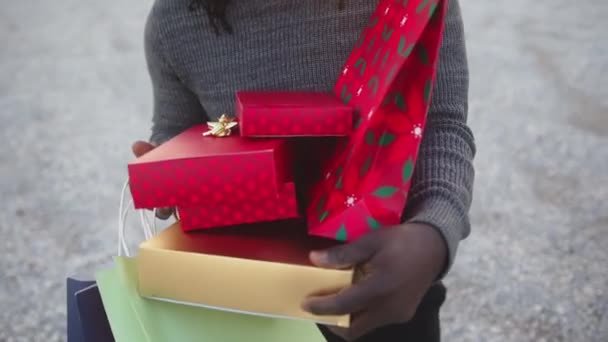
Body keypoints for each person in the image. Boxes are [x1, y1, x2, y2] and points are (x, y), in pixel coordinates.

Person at [131, 0, 475, 341]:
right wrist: (167, 166)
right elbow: (179, 127)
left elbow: (439, 126)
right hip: (239, 300)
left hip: (381, 290)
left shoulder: (411, 4)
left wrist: (433, 233)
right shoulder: (176, 21)